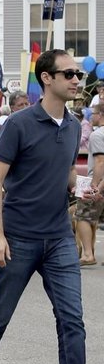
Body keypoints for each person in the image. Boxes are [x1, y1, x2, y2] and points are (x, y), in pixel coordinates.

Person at [0, 49, 104, 364]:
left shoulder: (73, 126)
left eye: (78, 74)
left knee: (72, 318)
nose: (77, 79)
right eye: (69, 73)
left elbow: (67, 174)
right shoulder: (19, 123)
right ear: (47, 79)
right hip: (19, 237)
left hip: (58, 238)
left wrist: (83, 188)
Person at [75, 105, 104, 265]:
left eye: (92, 113)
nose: (90, 116)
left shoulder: (97, 135)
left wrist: (94, 185)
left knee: (82, 215)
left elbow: (100, 161)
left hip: (98, 180)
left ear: (100, 114)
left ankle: (87, 254)